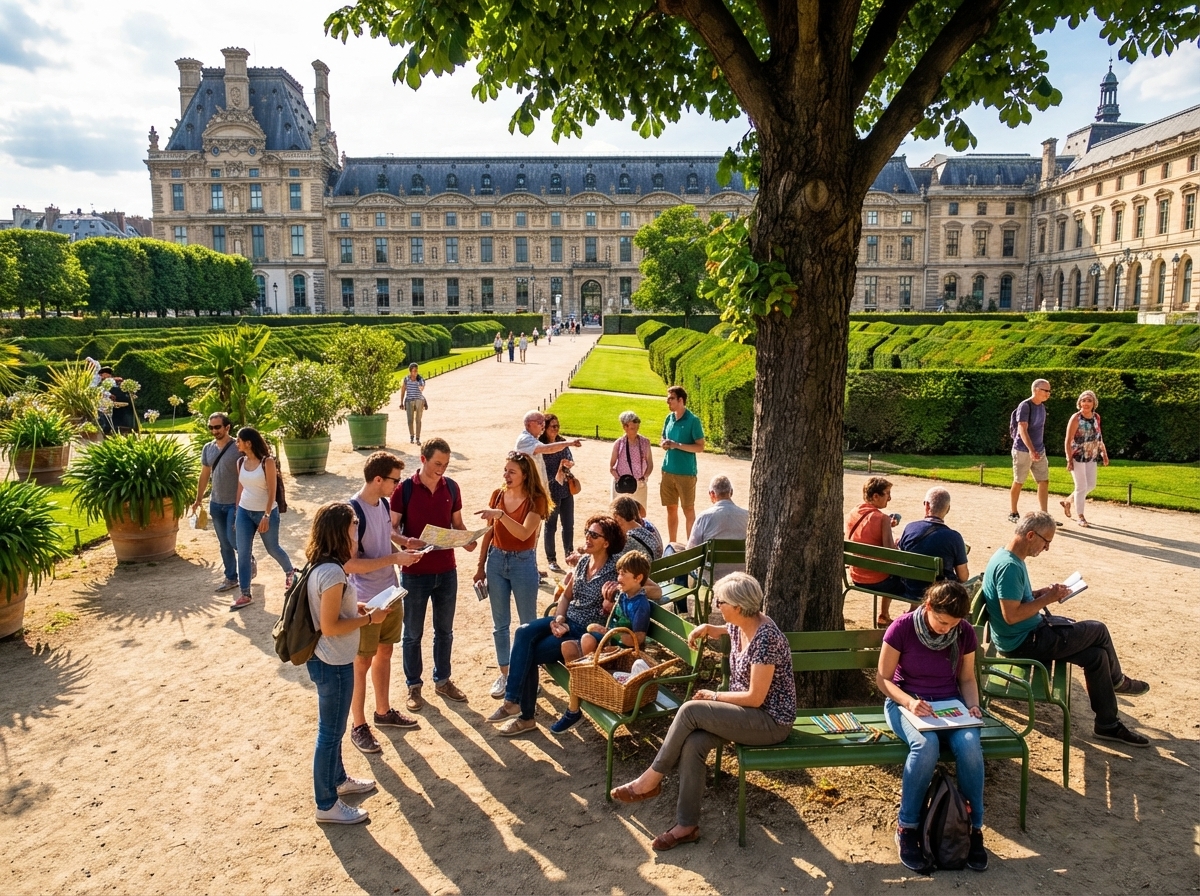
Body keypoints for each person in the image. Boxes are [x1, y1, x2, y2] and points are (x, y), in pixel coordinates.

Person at [610, 573, 795, 851]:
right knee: (694, 743)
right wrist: (708, 627)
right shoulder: (741, 623)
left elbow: (756, 698)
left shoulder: (766, 638)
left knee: (690, 711)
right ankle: (687, 826)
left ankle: (650, 780)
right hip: (743, 715)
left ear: (739, 605)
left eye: (721, 602)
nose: (717, 606)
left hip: (769, 721)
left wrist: (714, 695)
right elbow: (726, 631)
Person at [982, 511, 1150, 746]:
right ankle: (1118, 682)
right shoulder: (1009, 566)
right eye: (1046, 541)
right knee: (1098, 629)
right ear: (1031, 535)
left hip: (1026, 635)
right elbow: (1011, 616)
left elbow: (1015, 602)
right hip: (1023, 642)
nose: (1047, 548)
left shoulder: (1008, 557)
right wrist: (1048, 599)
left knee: (1097, 656)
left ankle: (1107, 725)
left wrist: (1039, 593)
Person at [877, 581, 989, 873]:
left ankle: (973, 828)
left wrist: (973, 706)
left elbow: (966, 678)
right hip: (905, 703)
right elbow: (883, 680)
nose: (945, 629)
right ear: (927, 607)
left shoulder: (962, 632)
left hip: (950, 704)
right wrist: (910, 702)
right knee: (926, 746)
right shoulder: (901, 628)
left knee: (969, 746)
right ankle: (908, 827)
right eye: (941, 621)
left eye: (952, 624)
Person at [488, 515, 625, 736]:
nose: (587, 538)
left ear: (606, 542)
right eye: (587, 532)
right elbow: (565, 598)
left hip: (584, 632)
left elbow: (649, 586)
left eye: (594, 535)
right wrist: (558, 620)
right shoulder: (583, 562)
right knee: (523, 632)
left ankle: (524, 715)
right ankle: (513, 701)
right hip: (566, 622)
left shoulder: (615, 568)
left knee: (528, 653)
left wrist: (618, 586)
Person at [303, 501, 394, 825]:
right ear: (340, 532)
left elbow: (333, 611)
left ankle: (338, 781)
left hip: (329, 659)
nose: (358, 535)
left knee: (334, 730)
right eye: (354, 528)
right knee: (329, 733)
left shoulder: (323, 565)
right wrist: (370, 618)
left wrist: (356, 607)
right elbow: (330, 626)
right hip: (333, 662)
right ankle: (326, 804)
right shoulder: (332, 573)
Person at [345, 453, 425, 755]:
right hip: (366, 599)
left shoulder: (384, 504)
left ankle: (382, 711)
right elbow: (350, 564)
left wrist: (403, 542)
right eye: (394, 479)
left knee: (386, 652)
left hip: (390, 592)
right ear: (378, 479)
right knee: (361, 662)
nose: (398, 484)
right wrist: (394, 557)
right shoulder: (351, 513)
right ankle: (359, 725)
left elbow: (383, 535)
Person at [391, 438, 475, 713]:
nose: (442, 469)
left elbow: (457, 524)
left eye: (446, 465)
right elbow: (390, 530)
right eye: (438, 463)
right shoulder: (403, 489)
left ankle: (443, 680)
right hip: (414, 572)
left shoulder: (451, 487)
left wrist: (468, 539)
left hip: (446, 571)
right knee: (413, 633)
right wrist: (406, 542)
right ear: (423, 459)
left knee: (445, 631)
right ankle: (413, 685)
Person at [475, 452, 551, 700]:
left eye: (512, 472)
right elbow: (489, 532)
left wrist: (500, 515)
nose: (506, 476)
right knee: (500, 625)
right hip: (496, 561)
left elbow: (523, 533)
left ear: (525, 475)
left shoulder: (536, 500)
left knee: (527, 625)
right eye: (505, 470)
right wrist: (479, 566)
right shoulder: (498, 495)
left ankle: (528, 676)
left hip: (522, 562)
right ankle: (507, 675)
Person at [550, 551, 653, 733]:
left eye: (623, 574)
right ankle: (583, 692)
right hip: (609, 644)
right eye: (618, 573)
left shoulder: (641, 605)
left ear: (638, 578)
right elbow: (616, 617)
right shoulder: (624, 595)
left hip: (621, 652)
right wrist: (608, 608)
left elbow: (637, 639)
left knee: (587, 640)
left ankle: (578, 701)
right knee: (567, 646)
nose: (618, 577)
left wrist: (608, 633)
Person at [232, 426, 295, 611]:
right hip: (244, 511)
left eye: (239, 440)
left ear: (248, 443)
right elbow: (240, 488)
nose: (237, 443)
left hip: (265, 512)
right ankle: (245, 593)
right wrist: (237, 512)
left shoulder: (267, 462)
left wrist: (267, 515)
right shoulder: (240, 462)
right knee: (243, 553)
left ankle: (291, 573)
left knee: (272, 548)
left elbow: (272, 491)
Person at [191, 412, 242, 594]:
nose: (214, 431)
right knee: (223, 543)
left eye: (217, 427)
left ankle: (248, 559)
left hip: (234, 503)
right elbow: (204, 474)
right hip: (216, 502)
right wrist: (198, 499)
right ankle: (231, 577)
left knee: (232, 538)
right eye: (211, 427)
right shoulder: (208, 448)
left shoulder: (238, 447)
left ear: (227, 427)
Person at [845, 476, 904, 627]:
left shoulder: (853, 512)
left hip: (856, 576)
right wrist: (898, 543)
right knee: (911, 578)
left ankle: (884, 615)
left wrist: (887, 527)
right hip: (877, 580)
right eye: (887, 493)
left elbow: (866, 533)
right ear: (875, 496)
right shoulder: (882, 518)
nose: (890, 498)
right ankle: (896, 616)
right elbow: (892, 555)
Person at [897, 487, 970, 603]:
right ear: (948, 509)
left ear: (926, 505)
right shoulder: (954, 537)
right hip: (940, 596)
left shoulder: (910, 528)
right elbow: (963, 576)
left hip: (910, 589)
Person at [660, 386, 706, 544]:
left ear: (681, 400)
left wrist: (676, 445)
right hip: (667, 471)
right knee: (671, 508)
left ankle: (690, 546)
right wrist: (665, 444)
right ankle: (672, 545)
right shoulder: (669, 418)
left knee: (688, 510)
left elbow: (700, 446)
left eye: (671, 398)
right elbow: (663, 438)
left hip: (686, 472)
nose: (668, 401)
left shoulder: (693, 420)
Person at [687, 475, 749, 581]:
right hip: (741, 576)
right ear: (731, 492)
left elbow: (691, 551)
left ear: (712, 494)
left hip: (711, 577)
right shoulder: (747, 516)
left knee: (673, 551)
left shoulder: (704, 517)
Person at [1061, 390, 1108, 527]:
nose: (1086, 403)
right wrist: (1069, 459)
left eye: (1089, 400)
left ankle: (1068, 501)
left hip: (1091, 455)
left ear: (1094, 403)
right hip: (1077, 456)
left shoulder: (1096, 417)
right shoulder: (1076, 418)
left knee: (1091, 485)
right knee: (1081, 487)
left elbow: (1098, 436)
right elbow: (1068, 440)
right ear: (1079, 403)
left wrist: (1103, 453)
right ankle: (1080, 517)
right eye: (1083, 400)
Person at [1009, 378, 1053, 524]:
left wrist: (1037, 450)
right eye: (1045, 390)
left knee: (1043, 481)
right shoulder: (1025, 406)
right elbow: (1022, 428)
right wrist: (1031, 450)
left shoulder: (1041, 407)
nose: (1048, 393)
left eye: (1049, 391)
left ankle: (1044, 515)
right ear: (1036, 390)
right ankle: (1013, 512)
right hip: (1023, 450)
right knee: (1019, 481)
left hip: (1039, 449)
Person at [540, 414, 576, 574]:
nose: (556, 429)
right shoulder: (541, 446)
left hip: (565, 489)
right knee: (551, 526)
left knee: (568, 525)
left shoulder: (562, 442)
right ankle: (551, 559)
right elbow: (539, 469)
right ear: (545, 428)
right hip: (551, 490)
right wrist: (555, 474)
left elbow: (569, 458)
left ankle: (570, 554)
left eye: (557, 426)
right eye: (552, 426)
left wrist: (567, 465)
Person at [515, 410, 581, 490]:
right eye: (540, 422)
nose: (543, 426)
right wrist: (570, 443)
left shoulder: (533, 439)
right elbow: (549, 448)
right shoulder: (525, 439)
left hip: (539, 487)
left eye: (543, 423)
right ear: (530, 424)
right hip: (530, 488)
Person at [609, 410, 654, 507]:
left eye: (637, 427)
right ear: (625, 427)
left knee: (639, 514)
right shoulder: (618, 443)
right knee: (619, 512)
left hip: (639, 484)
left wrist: (644, 478)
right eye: (633, 428)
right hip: (622, 484)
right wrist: (618, 479)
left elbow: (650, 464)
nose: (636, 430)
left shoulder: (645, 442)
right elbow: (611, 466)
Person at [611, 496, 663, 560]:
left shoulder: (628, 540)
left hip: (646, 569)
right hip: (656, 566)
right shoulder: (646, 528)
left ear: (618, 517)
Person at [402, 363, 426, 444]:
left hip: (419, 400)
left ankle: (418, 438)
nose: (415, 373)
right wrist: (401, 402)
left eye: (416, 371)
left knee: (418, 420)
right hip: (409, 400)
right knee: (410, 420)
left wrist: (420, 384)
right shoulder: (406, 379)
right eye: (414, 371)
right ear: (410, 371)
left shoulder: (420, 379)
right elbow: (403, 390)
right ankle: (412, 435)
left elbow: (422, 388)